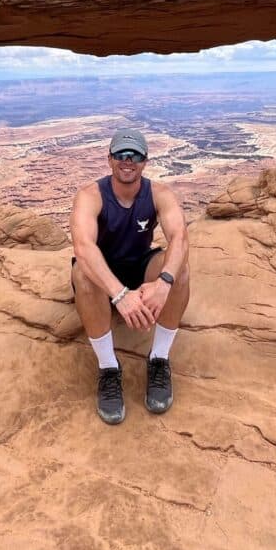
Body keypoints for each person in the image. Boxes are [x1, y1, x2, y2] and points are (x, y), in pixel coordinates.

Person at [70, 127, 191, 424]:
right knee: (83, 275)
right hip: (102, 272)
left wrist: (163, 284)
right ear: (110, 159)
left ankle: (159, 359)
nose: (128, 160)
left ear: (145, 161)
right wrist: (120, 295)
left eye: (135, 154)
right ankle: (109, 368)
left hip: (139, 265)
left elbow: (180, 237)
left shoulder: (159, 194)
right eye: (121, 154)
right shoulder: (91, 195)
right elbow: (84, 247)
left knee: (179, 271)